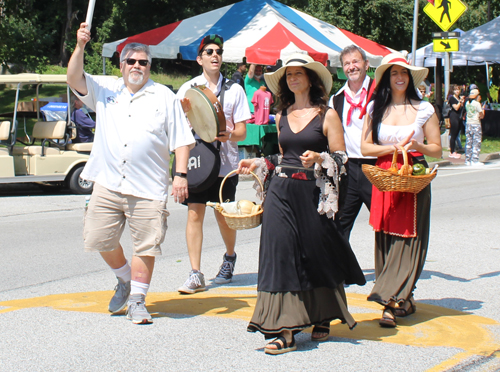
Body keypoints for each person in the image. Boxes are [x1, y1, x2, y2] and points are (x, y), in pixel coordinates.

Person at [67, 24, 194, 324]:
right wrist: (80, 46)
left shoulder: (165, 97)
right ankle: (124, 279)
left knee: (145, 245)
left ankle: (138, 300)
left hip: (148, 188)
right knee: (99, 238)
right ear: (121, 65)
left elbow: (182, 140)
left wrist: (180, 175)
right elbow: (73, 77)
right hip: (108, 183)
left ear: (150, 66)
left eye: (143, 62)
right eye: (131, 61)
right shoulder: (105, 89)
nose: (137, 66)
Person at [239, 52, 365, 355]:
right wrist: (260, 162)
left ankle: (323, 313)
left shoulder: (327, 115)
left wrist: (320, 158)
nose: (293, 78)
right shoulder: (281, 114)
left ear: (310, 78)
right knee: (279, 253)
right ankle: (286, 329)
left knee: (316, 254)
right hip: (281, 191)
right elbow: (283, 158)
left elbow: (341, 157)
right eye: (288, 75)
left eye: (298, 73)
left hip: (313, 193)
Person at [360, 52, 442, 328]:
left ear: (409, 78)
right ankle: (400, 297)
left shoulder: (425, 109)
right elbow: (365, 148)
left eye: (404, 73)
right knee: (386, 236)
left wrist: (417, 147)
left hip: (413, 173)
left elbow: (436, 148)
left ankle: (390, 301)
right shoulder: (376, 108)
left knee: (410, 237)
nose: (399, 77)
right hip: (385, 175)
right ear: (386, 78)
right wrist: (392, 149)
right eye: (394, 73)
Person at [176, 34, 251, 293]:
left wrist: (229, 134)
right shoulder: (188, 89)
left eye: (218, 51)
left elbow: (243, 131)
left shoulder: (234, 89)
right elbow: (179, 133)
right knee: (194, 212)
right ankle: (195, 273)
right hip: (199, 160)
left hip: (226, 163)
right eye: (209, 52)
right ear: (200, 59)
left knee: (224, 216)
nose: (214, 55)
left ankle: (229, 257)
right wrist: (180, 172)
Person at [330, 45, 375, 238]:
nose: (351, 67)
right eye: (347, 63)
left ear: (366, 64)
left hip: (376, 167)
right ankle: (340, 268)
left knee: (385, 223)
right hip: (349, 168)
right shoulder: (337, 99)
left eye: (355, 61)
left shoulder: (380, 91)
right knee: (339, 226)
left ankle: (389, 267)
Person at [465, 88, 484, 167]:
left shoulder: (467, 103)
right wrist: (483, 109)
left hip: (468, 123)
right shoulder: (477, 104)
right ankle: (475, 160)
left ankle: (468, 160)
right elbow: (481, 115)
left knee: (469, 142)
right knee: (476, 142)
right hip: (476, 124)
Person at [447, 85, 465, 159]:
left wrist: (462, 102)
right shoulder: (452, 98)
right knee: (453, 134)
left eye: (458, 89)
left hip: (459, 117)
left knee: (457, 133)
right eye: (455, 90)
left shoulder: (458, 98)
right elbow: (456, 108)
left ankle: (456, 149)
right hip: (454, 116)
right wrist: (460, 101)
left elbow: (461, 107)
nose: (457, 91)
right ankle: (452, 151)